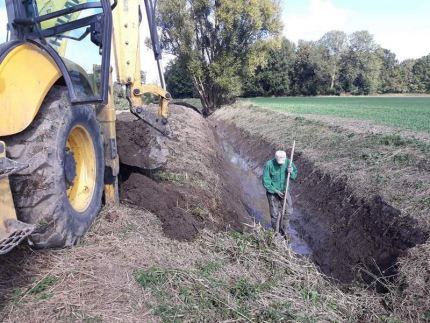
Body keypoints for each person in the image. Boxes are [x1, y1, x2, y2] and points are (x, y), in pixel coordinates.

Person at [262, 150, 298, 235]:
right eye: (279, 162)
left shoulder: (289, 162)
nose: (281, 164)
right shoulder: (269, 165)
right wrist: (276, 191)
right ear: (275, 158)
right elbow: (266, 182)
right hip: (273, 192)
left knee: (288, 211)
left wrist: (291, 171)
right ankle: (276, 232)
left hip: (284, 191)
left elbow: (294, 176)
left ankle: (284, 230)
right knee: (275, 214)